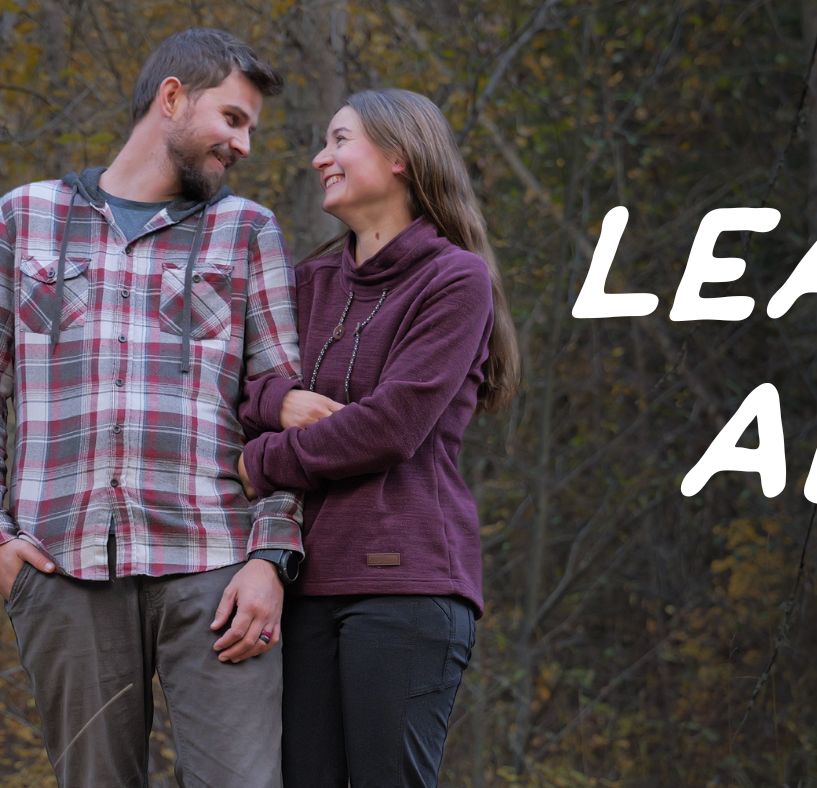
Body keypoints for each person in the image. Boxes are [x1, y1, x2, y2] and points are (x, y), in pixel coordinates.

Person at [0, 29, 305, 787]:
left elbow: (279, 407)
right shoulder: (24, 219)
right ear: (172, 98)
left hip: (217, 569)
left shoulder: (248, 232)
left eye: (249, 129)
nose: (243, 144)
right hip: (62, 569)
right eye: (233, 119)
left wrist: (272, 557)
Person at [236, 88, 521, 788]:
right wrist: (280, 402)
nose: (319, 158)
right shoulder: (306, 284)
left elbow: (390, 429)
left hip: (409, 585)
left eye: (339, 141)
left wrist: (263, 458)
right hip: (304, 586)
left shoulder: (455, 279)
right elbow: (243, 390)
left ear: (399, 157)